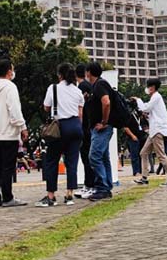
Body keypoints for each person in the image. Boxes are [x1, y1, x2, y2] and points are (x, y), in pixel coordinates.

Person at [36, 63, 86, 207]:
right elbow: (80, 114)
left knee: (52, 161)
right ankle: (69, 194)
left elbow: (46, 107)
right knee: (72, 162)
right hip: (75, 126)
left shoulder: (53, 88)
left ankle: (51, 196)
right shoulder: (77, 91)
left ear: (60, 75)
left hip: (59, 127)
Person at [0, 59, 29, 207]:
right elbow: (14, 110)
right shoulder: (10, 87)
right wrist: (23, 127)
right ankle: (7, 197)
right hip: (9, 132)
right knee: (8, 166)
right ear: (9, 71)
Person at [132, 78, 167, 186]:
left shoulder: (156, 97)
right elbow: (150, 112)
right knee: (143, 153)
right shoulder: (155, 98)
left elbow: (146, 108)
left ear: (152, 87)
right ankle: (144, 178)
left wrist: (138, 100)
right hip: (154, 131)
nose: (147, 88)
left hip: (157, 131)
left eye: (148, 86)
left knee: (161, 155)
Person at [84, 61, 114, 201]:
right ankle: (106, 187)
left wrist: (104, 122)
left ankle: (102, 187)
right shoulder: (96, 86)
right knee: (103, 157)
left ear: (89, 72)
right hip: (99, 128)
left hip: (102, 128)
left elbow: (106, 102)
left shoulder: (100, 84)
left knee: (94, 156)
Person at [76, 64, 97, 198]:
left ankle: (90, 185)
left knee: (86, 157)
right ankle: (89, 184)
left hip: (85, 127)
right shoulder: (88, 86)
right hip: (89, 126)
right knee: (87, 157)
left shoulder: (82, 87)